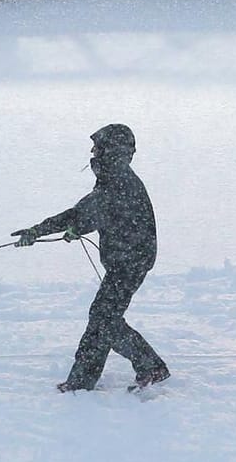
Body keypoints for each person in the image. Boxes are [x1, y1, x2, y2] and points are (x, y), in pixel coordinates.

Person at [12, 123, 170, 393]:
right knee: (103, 317)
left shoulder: (118, 181)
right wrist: (75, 227)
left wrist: (40, 231)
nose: (92, 151)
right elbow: (93, 213)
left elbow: (81, 213)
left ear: (112, 151)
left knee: (104, 318)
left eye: (98, 146)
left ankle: (150, 367)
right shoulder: (115, 178)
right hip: (127, 259)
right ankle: (83, 380)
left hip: (130, 262)